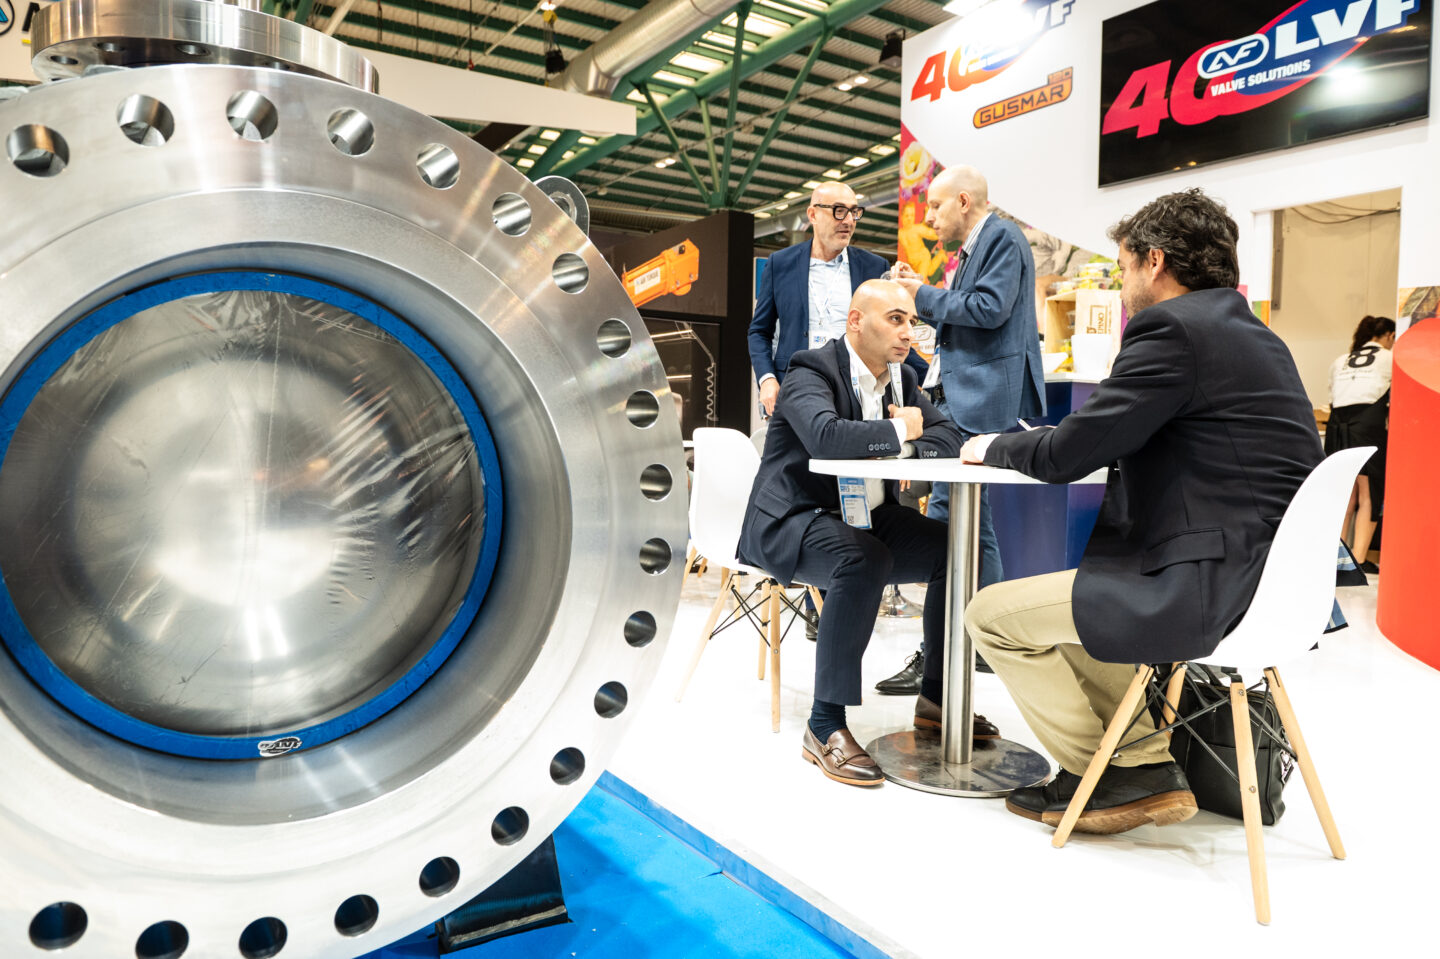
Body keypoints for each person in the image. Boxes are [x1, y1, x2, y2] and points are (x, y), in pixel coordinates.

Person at [956, 188, 1323, 834]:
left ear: (1155, 261)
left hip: (1209, 585)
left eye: (1123, 266)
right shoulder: (1256, 337)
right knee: (1084, 606)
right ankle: (1142, 764)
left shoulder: (1173, 329)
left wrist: (992, 445)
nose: (1123, 285)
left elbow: (1069, 452)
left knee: (990, 616)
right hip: (1274, 585)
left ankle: (1104, 773)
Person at [737, 280, 999, 788]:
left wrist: (908, 440)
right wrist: (903, 431)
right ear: (856, 321)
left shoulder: (903, 377)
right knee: (864, 559)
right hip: (795, 518)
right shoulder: (810, 369)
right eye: (895, 319)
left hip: (867, 515)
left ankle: (937, 698)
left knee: (959, 552)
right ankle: (824, 724)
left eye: (912, 322)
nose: (908, 333)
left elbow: (949, 435)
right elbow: (826, 436)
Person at [882, 164, 1046, 694]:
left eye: (935, 206)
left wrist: (921, 296)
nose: (928, 217)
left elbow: (988, 309)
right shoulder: (978, 248)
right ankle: (974, 642)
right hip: (968, 395)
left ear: (963, 202)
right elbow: (971, 317)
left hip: (982, 398)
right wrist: (922, 295)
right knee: (972, 521)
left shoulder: (1001, 238)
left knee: (954, 520)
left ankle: (948, 649)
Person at [749, 181, 929, 640]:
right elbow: (759, 330)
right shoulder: (782, 264)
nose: (848, 220)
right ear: (812, 213)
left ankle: (842, 599)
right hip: (805, 393)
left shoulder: (872, 266)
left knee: (860, 495)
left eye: (855, 211)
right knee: (807, 486)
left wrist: (918, 386)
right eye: (838, 210)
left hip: (860, 390)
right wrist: (768, 379)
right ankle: (822, 598)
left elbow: (891, 327)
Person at [1327, 315, 1395, 573]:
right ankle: (1358, 559)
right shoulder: (1388, 358)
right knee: (1369, 493)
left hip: (1337, 425)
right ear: (1389, 336)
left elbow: (1333, 395)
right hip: (1367, 424)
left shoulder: (1341, 360)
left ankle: (1336, 557)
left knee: (1344, 491)